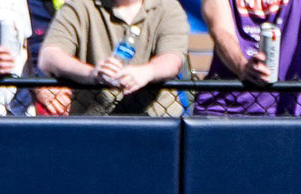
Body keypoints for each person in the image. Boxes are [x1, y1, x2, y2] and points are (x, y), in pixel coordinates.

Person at [37, 0, 190, 116]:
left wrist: (146, 72)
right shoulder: (79, 5)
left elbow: (172, 58)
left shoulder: (169, 7)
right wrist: (92, 73)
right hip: (93, 120)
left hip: (157, 119)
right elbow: (50, 56)